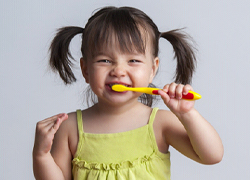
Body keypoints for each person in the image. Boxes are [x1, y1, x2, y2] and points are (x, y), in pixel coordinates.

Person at [32, 6, 224, 180]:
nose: (118, 70)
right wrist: (41, 155)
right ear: (85, 70)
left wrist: (187, 114)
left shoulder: (160, 123)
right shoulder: (69, 129)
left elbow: (212, 156)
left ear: (152, 69)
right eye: (104, 60)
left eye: (133, 60)